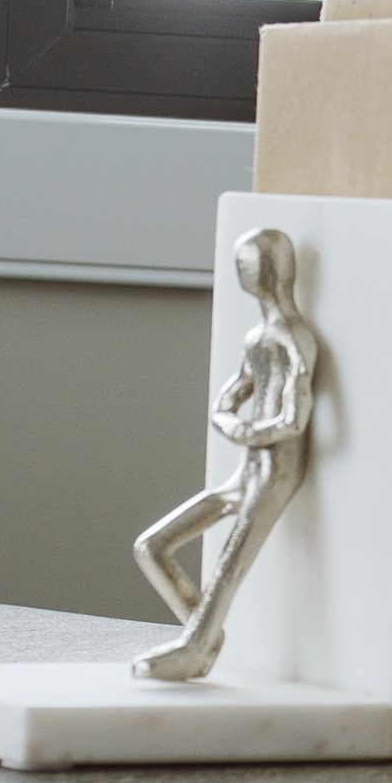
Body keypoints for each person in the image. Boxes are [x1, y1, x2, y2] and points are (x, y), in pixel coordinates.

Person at [131, 226, 316, 682]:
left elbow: (295, 417)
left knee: (227, 565)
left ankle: (194, 649)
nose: (247, 272)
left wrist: (250, 431)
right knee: (152, 546)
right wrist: (234, 425)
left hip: (276, 473)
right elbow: (228, 399)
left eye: (252, 262)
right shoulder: (257, 339)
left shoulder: (294, 337)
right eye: (243, 263)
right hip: (247, 471)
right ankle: (205, 637)